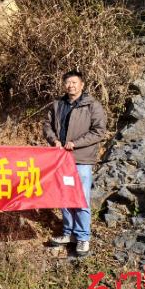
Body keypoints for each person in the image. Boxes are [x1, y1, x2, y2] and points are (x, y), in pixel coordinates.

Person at [43, 70, 106, 256]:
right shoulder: (57, 104)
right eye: (67, 82)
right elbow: (47, 125)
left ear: (82, 84)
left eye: (74, 82)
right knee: (65, 198)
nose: (70, 85)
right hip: (62, 159)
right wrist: (54, 140)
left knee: (81, 199)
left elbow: (99, 131)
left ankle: (83, 237)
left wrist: (75, 144)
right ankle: (69, 233)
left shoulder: (92, 105)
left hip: (81, 160)